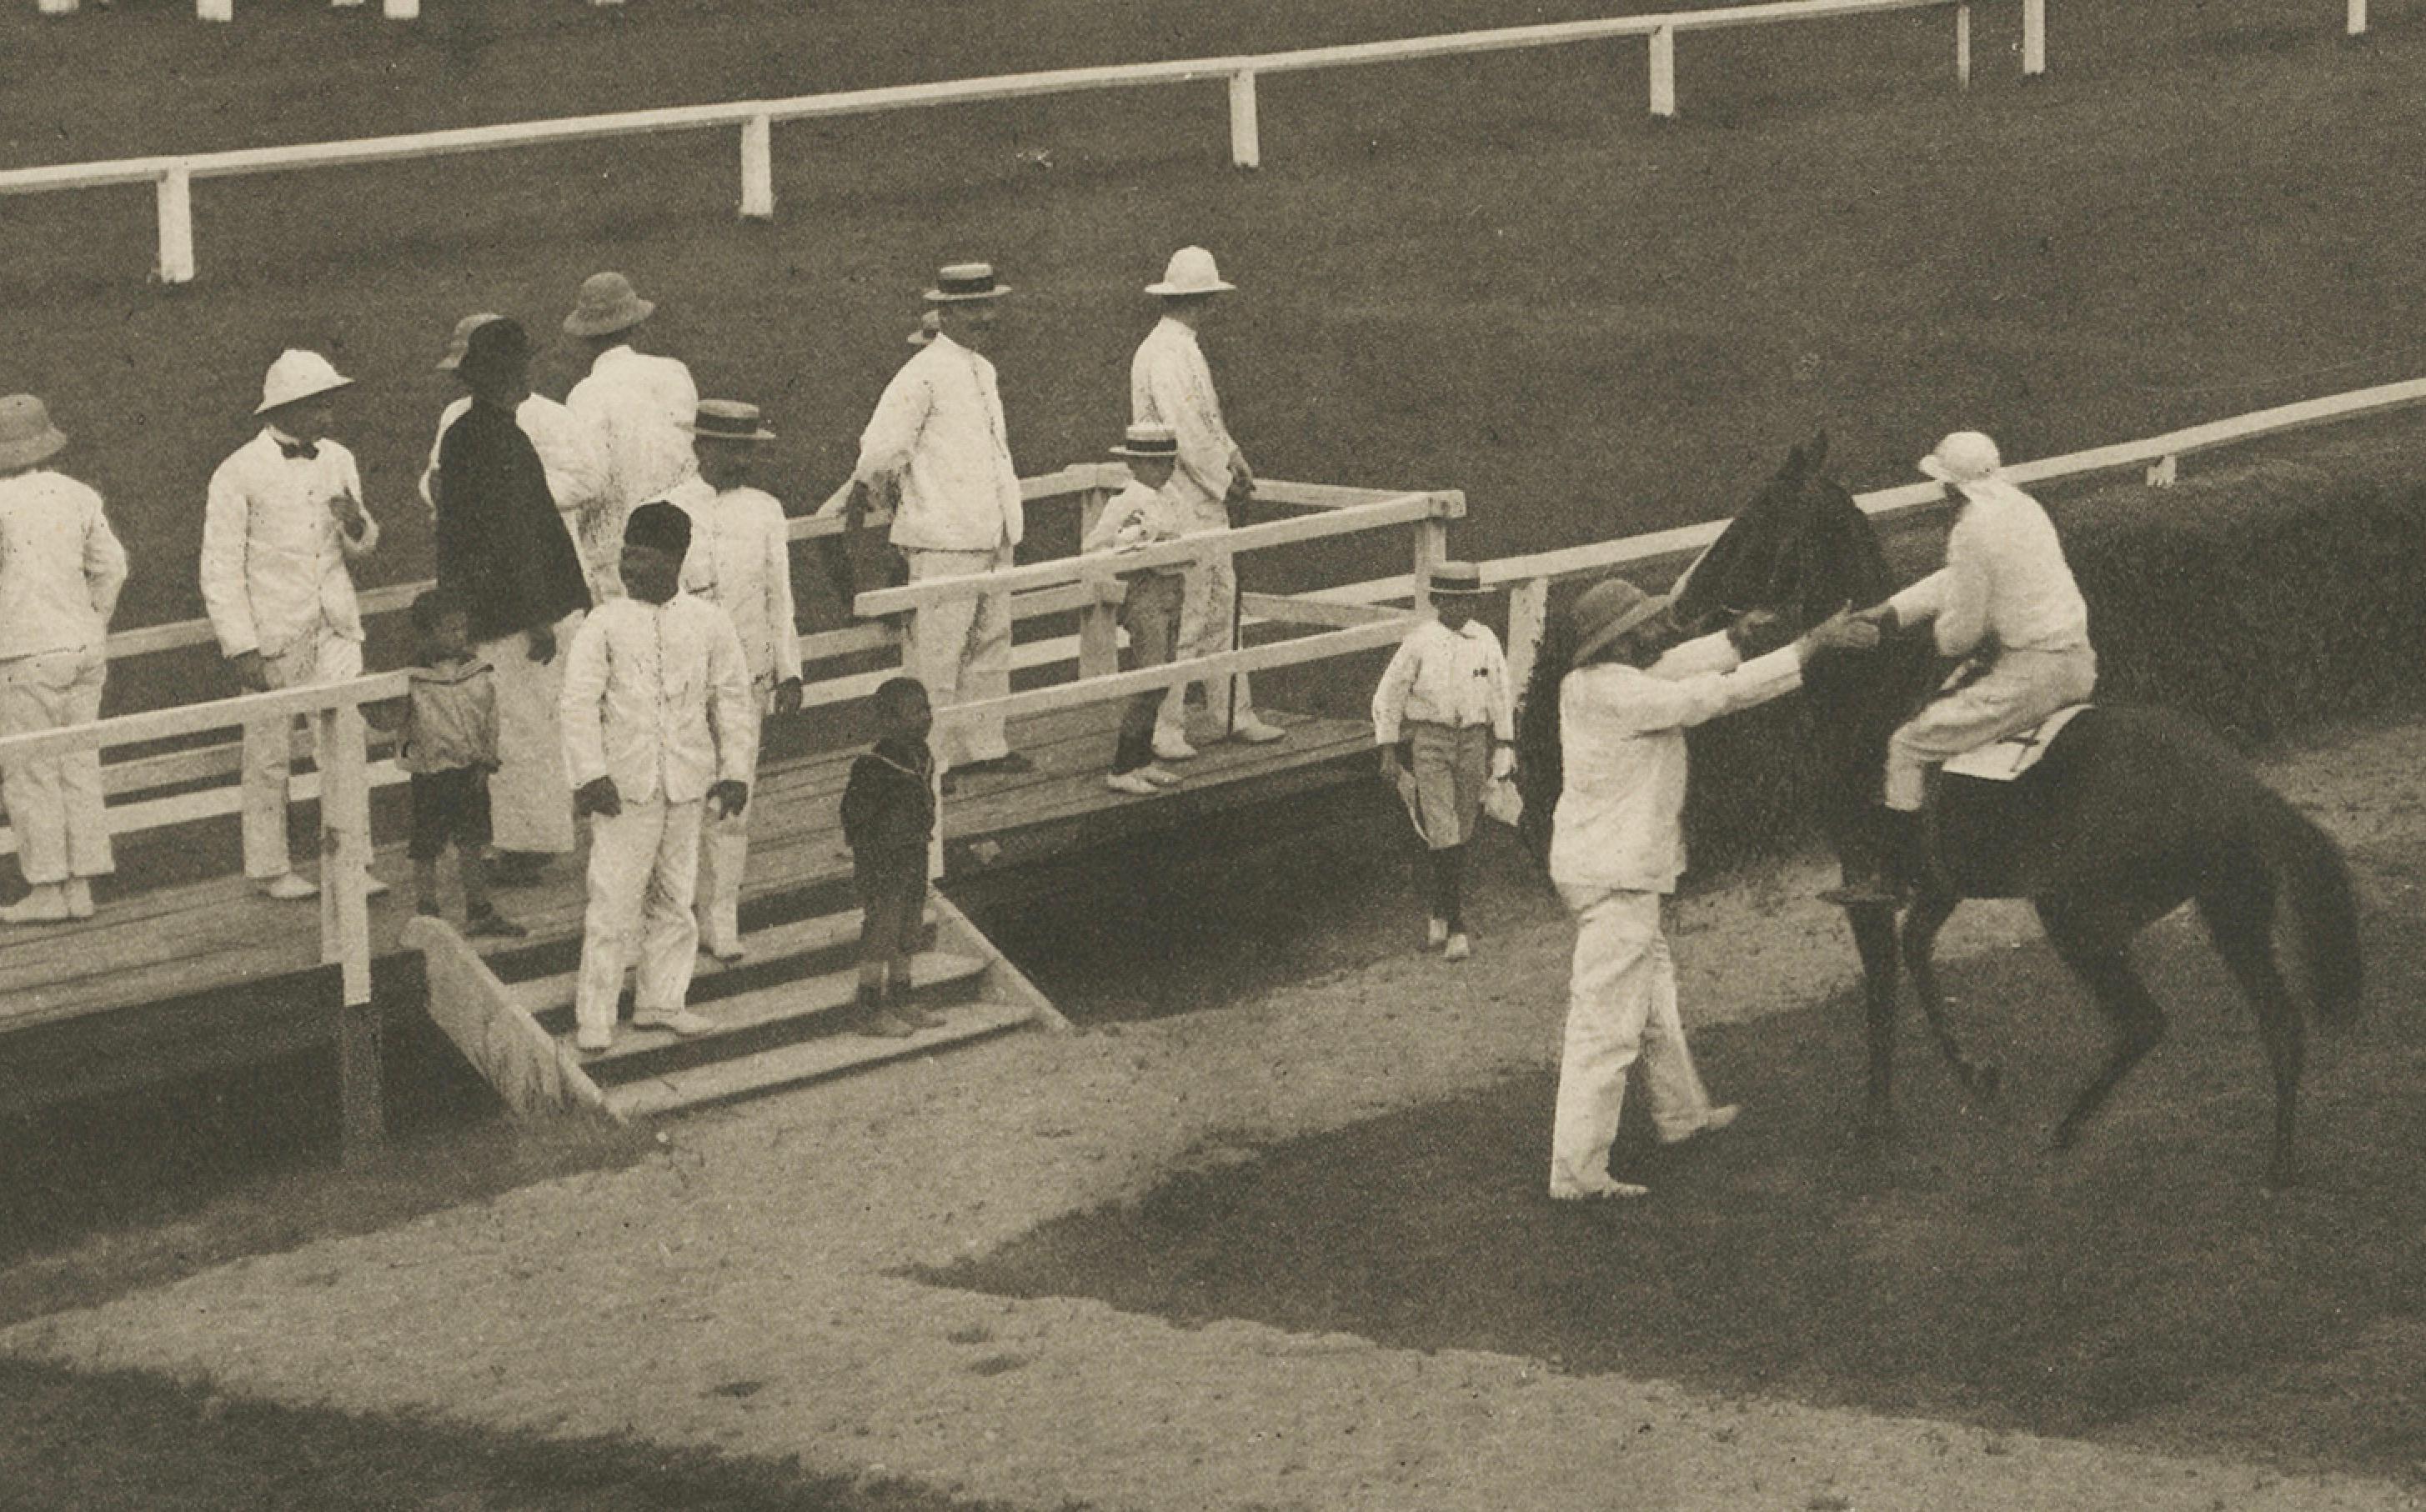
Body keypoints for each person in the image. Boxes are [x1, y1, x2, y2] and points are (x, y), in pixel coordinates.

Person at [1536, 578, 1874, 1200]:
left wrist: (1733, 639)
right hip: (1616, 877)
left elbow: (1672, 667)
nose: (1657, 629)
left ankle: (1682, 1116)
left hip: (1602, 869)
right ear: (1620, 640)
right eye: (1644, 624)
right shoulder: (1623, 694)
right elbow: (1714, 694)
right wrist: (1810, 646)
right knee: (1606, 1029)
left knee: (1654, 1002)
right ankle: (1577, 1174)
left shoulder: (1587, 683)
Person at [1825, 430, 2097, 906]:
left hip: (2030, 676)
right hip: (2079, 661)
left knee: (1907, 743)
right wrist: (1890, 611)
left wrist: (1923, 635)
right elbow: (1958, 576)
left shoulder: (1970, 529)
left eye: (1943, 485)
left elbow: (1959, 637)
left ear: (1953, 486)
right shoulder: (2024, 507)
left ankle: (1897, 878)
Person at [559, 502, 755, 1054]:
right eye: (626, 555)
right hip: (624, 786)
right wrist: (591, 774)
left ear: (675, 559)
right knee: (613, 900)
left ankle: (662, 1001)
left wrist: (735, 771)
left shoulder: (709, 622)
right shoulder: (604, 623)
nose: (629, 567)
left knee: (675, 896)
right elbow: (577, 703)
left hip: (687, 780)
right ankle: (595, 1014)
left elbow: (732, 700)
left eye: (642, 557)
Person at [822, 263, 1029, 781]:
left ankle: (985, 747)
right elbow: (881, 449)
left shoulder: (984, 370)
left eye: (988, 306)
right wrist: (878, 494)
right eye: (971, 308)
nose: (984, 317)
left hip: (994, 531)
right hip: (943, 539)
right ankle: (929, 761)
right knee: (937, 659)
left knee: (990, 647)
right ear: (946, 312)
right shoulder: (921, 373)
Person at [200, 348, 380, 901]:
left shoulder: (339, 458)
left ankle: (353, 861)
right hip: (275, 633)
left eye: (329, 404)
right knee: (268, 754)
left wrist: (357, 524)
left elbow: (361, 544)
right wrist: (241, 647)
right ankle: (269, 867)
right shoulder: (237, 471)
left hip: (335, 625)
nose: (328, 415)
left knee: (344, 746)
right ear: (286, 407)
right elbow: (220, 566)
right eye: (318, 405)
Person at [432, 318, 595, 889]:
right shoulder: (491, 437)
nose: (526, 377)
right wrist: (537, 614)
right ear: (499, 376)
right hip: (510, 612)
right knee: (523, 728)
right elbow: (511, 535)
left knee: (516, 726)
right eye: (517, 368)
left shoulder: (479, 433)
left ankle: (522, 839)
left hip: (494, 606)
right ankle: (526, 843)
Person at [1130, 245, 1284, 759]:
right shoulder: (1164, 353)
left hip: (1204, 502)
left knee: (1221, 607)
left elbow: (1208, 421)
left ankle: (1233, 713)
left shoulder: (1183, 348)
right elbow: (1186, 433)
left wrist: (1233, 455)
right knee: (1188, 616)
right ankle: (1165, 728)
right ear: (1202, 300)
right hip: (1178, 500)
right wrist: (1225, 478)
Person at [665, 399, 803, 962]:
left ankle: (721, 920)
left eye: (747, 450)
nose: (740, 460)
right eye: (729, 449)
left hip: (747, 677)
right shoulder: (665, 509)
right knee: (680, 798)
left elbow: (779, 595)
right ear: (701, 447)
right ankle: (674, 920)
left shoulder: (765, 511)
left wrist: (789, 670)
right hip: (684, 679)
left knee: (734, 801)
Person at [0, 394, 127, 926]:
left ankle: (49, 888)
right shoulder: (78, 494)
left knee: (32, 771)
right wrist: (91, 621)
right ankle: (82, 886)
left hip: (23, 651)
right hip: (83, 650)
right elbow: (113, 567)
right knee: (78, 765)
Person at [1371, 561, 1514, 963]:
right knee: (1441, 826)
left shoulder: (1484, 639)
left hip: (1473, 740)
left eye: (1468, 601)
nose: (1460, 609)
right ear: (1436, 601)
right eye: (1452, 601)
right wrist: (1387, 746)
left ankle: (1439, 909)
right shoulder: (1420, 642)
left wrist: (1504, 743)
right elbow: (1389, 695)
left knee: (1463, 824)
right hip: (1431, 741)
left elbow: (1500, 692)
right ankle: (1456, 927)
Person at [417, 312, 609, 579]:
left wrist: (505, 493)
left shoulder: (551, 417)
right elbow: (435, 477)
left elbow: (588, 481)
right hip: (480, 559)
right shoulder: (455, 415)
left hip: (543, 553)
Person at [391, 588, 523, 939]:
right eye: (449, 630)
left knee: (472, 840)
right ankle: (428, 914)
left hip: (470, 770)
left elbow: (490, 716)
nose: (459, 636)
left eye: (462, 628)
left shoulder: (476, 671)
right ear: (426, 634)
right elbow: (392, 723)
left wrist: (486, 757)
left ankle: (479, 910)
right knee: (426, 845)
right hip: (430, 774)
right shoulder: (411, 678)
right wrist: (413, 761)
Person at [563, 272, 699, 598]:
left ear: (584, 338)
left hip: (623, 551)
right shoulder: (674, 372)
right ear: (635, 326)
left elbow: (590, 480)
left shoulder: (586, 394)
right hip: (685, 536)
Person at [1081, 422, 1190, 797]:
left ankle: (1142, 759)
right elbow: (1094, 546)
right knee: (1149, 679)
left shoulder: (1172, 496)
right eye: (1155, 463)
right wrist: (1133, 540)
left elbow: (1187, 534)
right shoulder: (1125, 501)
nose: (1165, 469)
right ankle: (1122, 767)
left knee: (1164, 678)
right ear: (1135, 464)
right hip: (1145, 592)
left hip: (1174, 587)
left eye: (1169, 462)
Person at [839, 676, 940, 1039]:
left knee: (909, 928)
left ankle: (901, 998)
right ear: (890, 721)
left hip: (913, 854)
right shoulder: (874, 765)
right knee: (882, 930)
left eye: (927, 709)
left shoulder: (921, 756)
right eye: (915, 712)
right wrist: (873, 853)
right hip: (883, 862)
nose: (926, 717)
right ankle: (868, 1010)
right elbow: (853, 815)